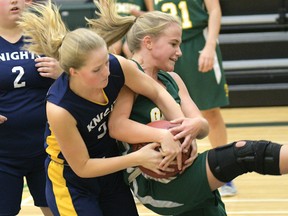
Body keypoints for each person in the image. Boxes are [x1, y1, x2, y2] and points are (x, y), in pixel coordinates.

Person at [90, 1, 288, 215]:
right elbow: (117, 126)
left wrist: (196, 124)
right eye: (174, 44)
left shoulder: (173, 79)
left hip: (184, 170)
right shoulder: (129, 78)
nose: (180, 52)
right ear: (148, 42)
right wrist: (161, 136)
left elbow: (202, 127)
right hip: (155, 182)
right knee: (245, 154)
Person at [18, 1, 195, 215]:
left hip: (111, 170)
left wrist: (180, 132)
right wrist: (138, 158)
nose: (106, 72)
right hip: (72, 181)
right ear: (73, 72)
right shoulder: (59, 107)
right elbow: (82, 166)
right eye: (96, 69)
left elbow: (157, 92)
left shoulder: (118, 66)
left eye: (106, 62)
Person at [152, 0, 236, 196]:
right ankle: (166, 172)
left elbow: (214, 10)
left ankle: (225, 172)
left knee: (210, 112)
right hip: (165, 47)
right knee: (164, 111)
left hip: (197, 42)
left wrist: (209, 46)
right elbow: (152, 18)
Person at [0, 0, 62, 215]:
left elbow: (83, 79)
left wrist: (62, 71)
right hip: (4, 153)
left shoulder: (46, 35)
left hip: (48, 148)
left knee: (56, 210)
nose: (14, 1)